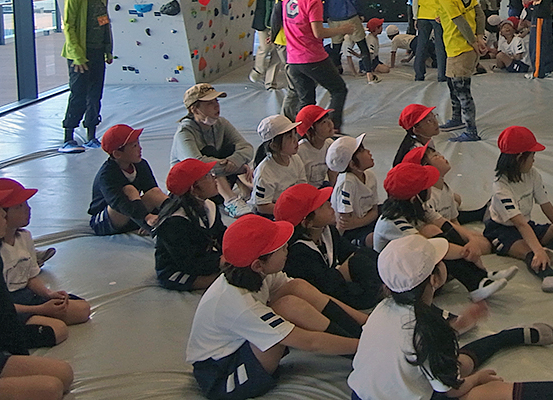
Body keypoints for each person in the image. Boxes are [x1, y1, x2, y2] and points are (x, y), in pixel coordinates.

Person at [347, 235, 553, 400]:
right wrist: (477, 379)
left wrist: (462, 324)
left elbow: (419, 353)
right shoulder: (430, 328)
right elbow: (450, 389)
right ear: (435, 278)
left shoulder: (383, 310)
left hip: (361, 396)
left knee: (458, 361)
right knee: (480, 393)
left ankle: (509, 336)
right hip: (416, 392)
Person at [185, 215, 364, 400]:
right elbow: (311, 343)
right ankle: (363, 351)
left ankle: (362, 333)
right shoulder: (239, 304)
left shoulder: (254, 273)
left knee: (297, 288)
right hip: (222, 374)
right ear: (257, 264)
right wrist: (366, 347)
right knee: (287, 309)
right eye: (279, 247)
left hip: (238, 346)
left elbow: (317, 297)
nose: (287, 247)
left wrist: (366, 320)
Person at [0, 179, 75, 400]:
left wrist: (18, 358)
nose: (3, 214)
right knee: (49, 389)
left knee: (64, 374)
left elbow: (4, 313)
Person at [373, 163, 512, 303]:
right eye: (427, 186)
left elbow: (445, 223)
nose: (431, 189)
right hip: (402, 281)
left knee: (433, 230)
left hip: (413, 266)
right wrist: (466, 251)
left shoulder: (416, 205)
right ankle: (474, 283)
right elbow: (427, 249)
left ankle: (481, 276)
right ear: (415, 197)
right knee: (437, 251)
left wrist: (471, 240)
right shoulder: (393, 221)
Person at [484, 126, 553, 294]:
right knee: (530, 251)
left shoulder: (532, 174)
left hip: (527, 225)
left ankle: (548, 251)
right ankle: (550, 277)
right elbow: (520, 224)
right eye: (532, 156)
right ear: (519, 158)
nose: (534, 160)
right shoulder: (501, 186)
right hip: (503, 231)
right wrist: (538, 250)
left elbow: (546, 205)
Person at [0, 179, 91, 346]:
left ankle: (39, 317)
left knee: (82, 309)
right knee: (57, 330)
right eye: (19, 207)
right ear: (2, 214)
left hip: (26, 296)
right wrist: (39, 310)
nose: (28, 209)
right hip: (8, 305)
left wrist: (48, 294)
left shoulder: (24, 237)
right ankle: (5, 335)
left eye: (26, 204)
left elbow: (30, 277)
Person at [276, 183, 383, 310]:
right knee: (359, 263)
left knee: (366, 255)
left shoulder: (328, 231)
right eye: (321, 205)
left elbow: (350, 251)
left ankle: (388, 283)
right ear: (307, 222)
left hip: (339, 284)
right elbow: (327, 286)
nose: (329, 204)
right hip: (327, 298)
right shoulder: (298, 253)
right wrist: (346, 268)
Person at [282, 0, 354, 128]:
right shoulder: (312, 0)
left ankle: (303, 132)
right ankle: (333, 127)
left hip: (293, 59)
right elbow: (318, 32)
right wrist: (342, 29)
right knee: (338, 89)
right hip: (312, 57)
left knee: (306, 100)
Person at [172, 83, 255, 218]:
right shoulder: (185, 132)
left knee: (233, 151)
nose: (217, 106)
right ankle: (230, 200)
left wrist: (234, 160)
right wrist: (237, 167)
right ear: (195, 109)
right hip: (195, 188)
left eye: (216, 101)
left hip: (215, 180)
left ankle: (245, 191)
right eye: (209, 103)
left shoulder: (221, 123)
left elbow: (247, 147)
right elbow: (196, 164)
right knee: (210, 154)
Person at [393, 105, 489, 224]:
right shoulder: (415, 152)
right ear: (416, 130)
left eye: (434, 117)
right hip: (418, 194)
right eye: (429, 121)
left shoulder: (425, 139)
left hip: (427, 187)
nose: (435, 122)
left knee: (454, 199)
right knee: (444, 206)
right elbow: (419, 184)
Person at [60, 0, 113, 152]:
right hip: (79, 54)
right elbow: (69, 25)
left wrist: (108, 49)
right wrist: (77, 55)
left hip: (97, 50)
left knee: (95, 94)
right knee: (78, 94)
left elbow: (104, 21)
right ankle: (68, 137)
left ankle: (91, 134)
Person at [434, 0, 486, 143]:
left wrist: (474, 42)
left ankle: (471, 130)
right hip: (458, 48)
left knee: (463, 90)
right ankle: (457, 119)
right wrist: (480, 36)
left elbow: (460, 22)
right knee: (452, 84)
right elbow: (478, 13)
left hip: (460, 48)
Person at [154, 159, 227, 291]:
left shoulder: (210, 206)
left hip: (205, 258)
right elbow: (188, 262)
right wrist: (220, 262)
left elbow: (221, 235)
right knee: (232, 278)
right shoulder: (174, 222)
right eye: (207, 176)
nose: (214, 177)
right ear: (193, 188)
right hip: (179, 270)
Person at [271, 0, 322, 119]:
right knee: (296, 86)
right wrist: (274, 32)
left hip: (301, 39)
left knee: (305, 84)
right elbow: (279, 6)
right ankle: (286, 122)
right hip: (289, 39)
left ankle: (300, 119)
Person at [87, 124, 168, 236]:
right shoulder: (107, 175)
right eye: (134, 146)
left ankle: (179, 216)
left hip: (132, 215)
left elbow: (151, 190)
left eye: (138, 143)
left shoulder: (141, 164)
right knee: (129, 190)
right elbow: (119, 204)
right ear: (117, 154)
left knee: (155, 192)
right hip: (106, 221)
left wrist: (156, 216)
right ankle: (154, 229)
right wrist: (145, 219)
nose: (140, 148)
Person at [321, 0, 379, 84]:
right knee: (362, 45)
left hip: (333, 15)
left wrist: (326, 14)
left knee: (336, 47)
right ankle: (370, 75)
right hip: (349, 14)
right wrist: (360, 13)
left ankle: (335, 74)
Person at [327, 134, 379, 248]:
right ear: (352, 164)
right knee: (375, 238)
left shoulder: (370, 176)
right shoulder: (347, 182)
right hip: (351, 233)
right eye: (362, 150)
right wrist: (366, 219)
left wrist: (361, 221)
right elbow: (346, 224)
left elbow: (375, 210)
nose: (368, 152)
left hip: (365, 223)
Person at [250, 115, 304, 217]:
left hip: (290, 205)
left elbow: (302, 185)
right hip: (271, 212)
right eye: (289, 137)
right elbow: (262, 206)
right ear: (274, 146)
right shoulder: (265, 172)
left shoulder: (295, 159)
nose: (295, 140)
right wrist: (288, 210)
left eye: (294, 134)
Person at [412, 0, 446, 82]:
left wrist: (415, 17)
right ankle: (442, 75)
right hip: (438, 16)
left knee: (421, 45)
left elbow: (415, 0)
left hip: (422, 15)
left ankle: (419, 75)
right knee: (440, 45)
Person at [294, 105, 337, 189]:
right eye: (323, 122)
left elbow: (332, 172)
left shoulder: (329, 144)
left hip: (321, 188)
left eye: (329, 119)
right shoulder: (300, 151)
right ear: (309, 132)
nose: (330, 124)